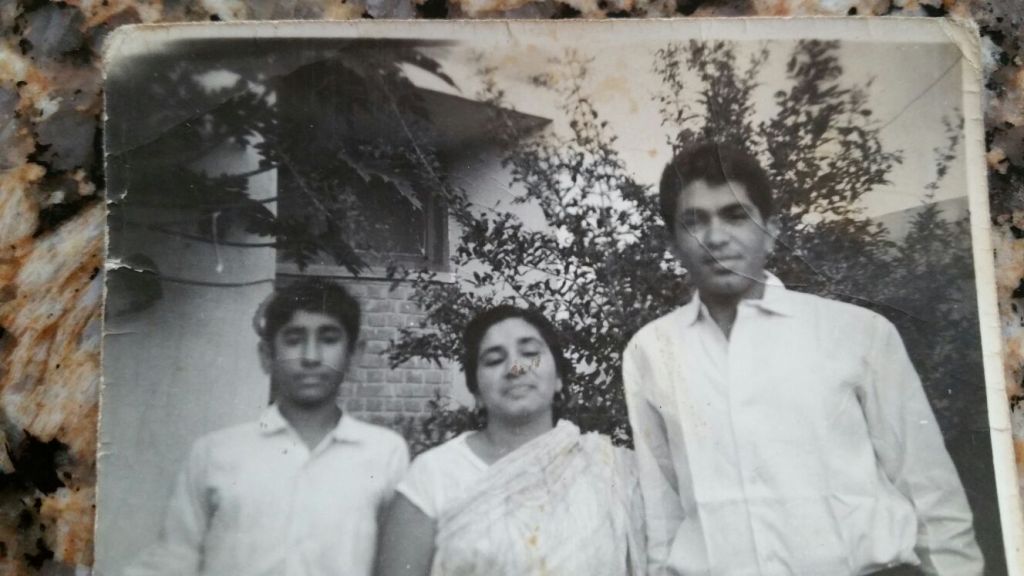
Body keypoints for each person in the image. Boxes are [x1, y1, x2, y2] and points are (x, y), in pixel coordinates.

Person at [623, 142, 983, 576]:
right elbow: (662, 515)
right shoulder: (651, 351)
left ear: (770, 230)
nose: (716, 237)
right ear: (674, 244)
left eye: (735, 215)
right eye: (694, 221)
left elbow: (930, 491)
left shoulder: (857, 332)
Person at [126, 279, 409, 576]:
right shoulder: (215, 453)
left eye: (328, 339)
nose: (311, 357)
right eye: (294, 339)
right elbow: (174, 559)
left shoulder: (385, 453)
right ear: (266, 355)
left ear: (354, 354)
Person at [376, 305, 646, 576]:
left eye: (530, 354)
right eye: (494, 360)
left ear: (558, 379)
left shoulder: (611, 471)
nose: (515, 368)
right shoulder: (433, 475)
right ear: (476, 392)